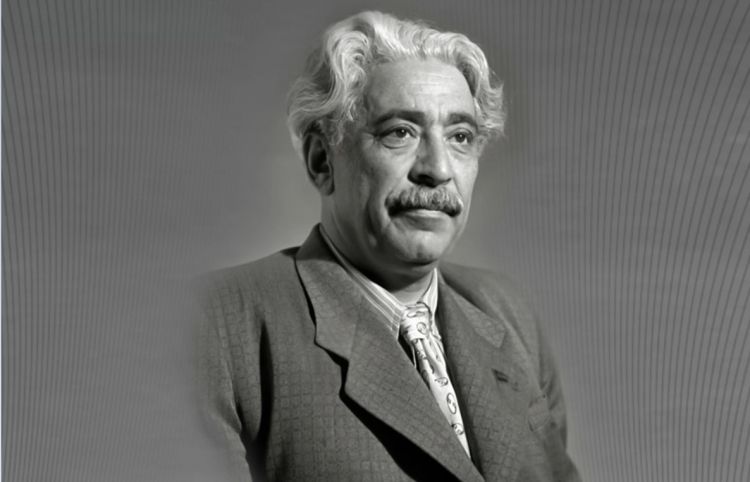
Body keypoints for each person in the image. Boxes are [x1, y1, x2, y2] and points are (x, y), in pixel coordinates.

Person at [198, 10, 580, 482]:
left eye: (460, 137)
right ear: (322, 161)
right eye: (400, 132)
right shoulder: (217, 326)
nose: (438, 169)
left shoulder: (509, 311)